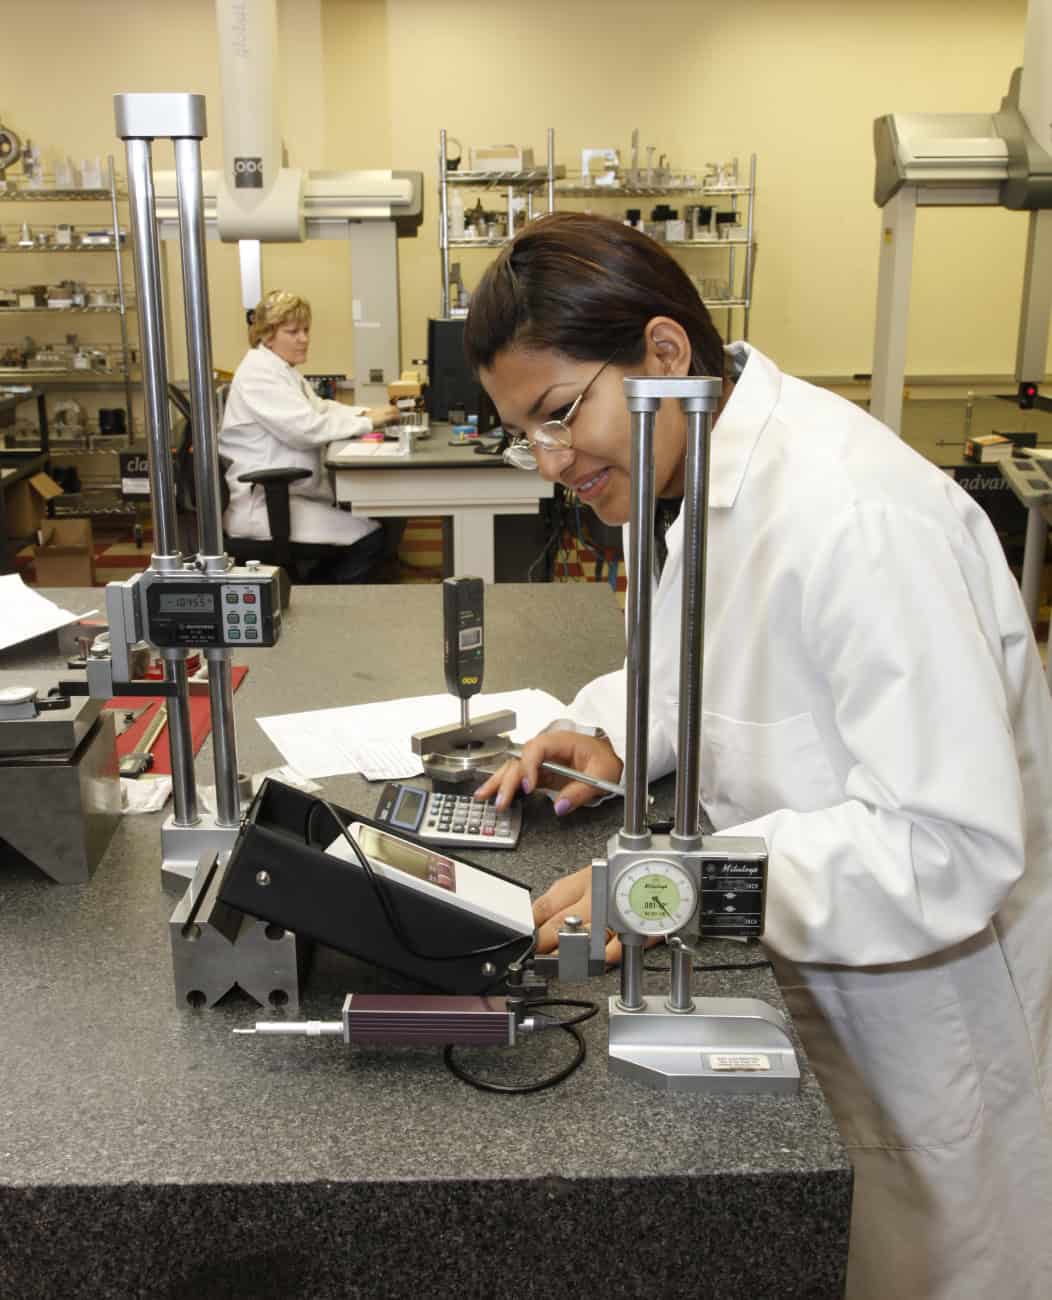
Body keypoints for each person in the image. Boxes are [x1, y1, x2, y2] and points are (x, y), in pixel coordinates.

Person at [467, 211, 1052, 1300]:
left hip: (918, 1023)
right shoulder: (693, 472)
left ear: (661, 354)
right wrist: (613, 730)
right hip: (816, 992)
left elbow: (949, 848)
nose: (550, 463)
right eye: (523, 433)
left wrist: (663, 885)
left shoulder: (856, 516)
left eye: (557, 413)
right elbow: (721, 670)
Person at [219, 290, 398, 582]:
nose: (304, 338)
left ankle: (315, 594)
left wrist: (365, 414)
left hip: (287, 498)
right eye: (293, 331)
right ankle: (325, 609)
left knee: (376, 526)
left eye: (306, 330)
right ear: (267, 335)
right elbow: (306, 429)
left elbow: (320, 408)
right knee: (371, 538)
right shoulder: (258, 374)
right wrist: (366, 424)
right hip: (265, 506)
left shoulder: (280, 370)